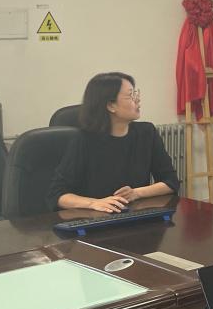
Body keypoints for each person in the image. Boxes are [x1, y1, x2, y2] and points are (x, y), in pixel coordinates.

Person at [48, 72, 179, 213]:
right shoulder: (84, 139)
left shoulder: (147, 133)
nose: (138, 100)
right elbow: (57, 195)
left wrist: (136, 193)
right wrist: (93, 203)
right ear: (111, 105)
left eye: (136, 94)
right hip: (95, 218)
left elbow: (171, 182)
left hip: (133, 215)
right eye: (130, 96)